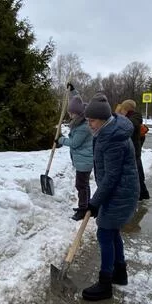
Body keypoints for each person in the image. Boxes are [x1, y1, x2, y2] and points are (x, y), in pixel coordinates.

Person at [81, 92, 139, 301]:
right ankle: (119, 273)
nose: (90, 125)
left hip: (120, 192)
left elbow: (112, 177)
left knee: (105, 234)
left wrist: (94, 203)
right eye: (87, 120)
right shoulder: (108, 131)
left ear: (104, 119)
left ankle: (105, 284)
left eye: (93, 120)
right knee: (112, 232)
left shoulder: (113, 138)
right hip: (118, 191)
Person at [56, 83, 93, 221]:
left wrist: (60, 140)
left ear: (78, 114)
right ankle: (86, 205)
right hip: (83, 160)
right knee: (84, 185)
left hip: (85, 161)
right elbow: (79, 100)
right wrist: (73, 91)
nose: (70, 115)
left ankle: (83, 209)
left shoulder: (83, 126)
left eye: (71, 113)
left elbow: (75, 143)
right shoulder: (81, 116)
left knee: (81, 185)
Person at [117, 99, 150, 200]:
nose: (121, 111)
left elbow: (130, 124)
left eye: (122, 109)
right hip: (131, 150)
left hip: (134, 151)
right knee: (136, 173)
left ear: (126, 109)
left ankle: (142, 194)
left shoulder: (135, 116)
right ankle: (142, 194)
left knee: (137, 173)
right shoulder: (128, 117)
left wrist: (118, 116)